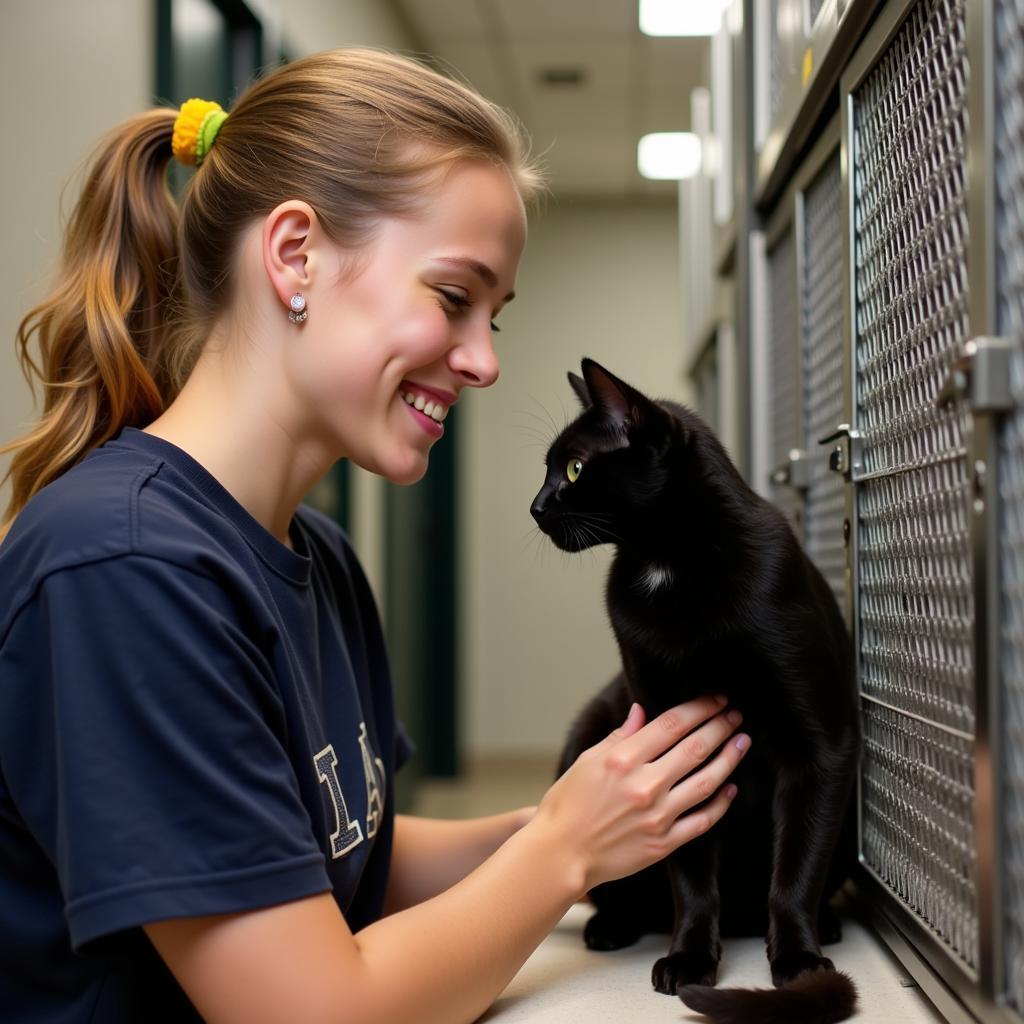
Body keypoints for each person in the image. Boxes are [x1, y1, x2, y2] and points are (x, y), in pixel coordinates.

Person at [0, 48, 751, 1024]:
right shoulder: (127, 567)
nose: (482, 362)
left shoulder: (318, 557)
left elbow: (345, 859)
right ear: (295, 254)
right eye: (453, 297)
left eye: (495, 316)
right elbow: (310, 1010)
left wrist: (592, 822)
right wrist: (562, 846)